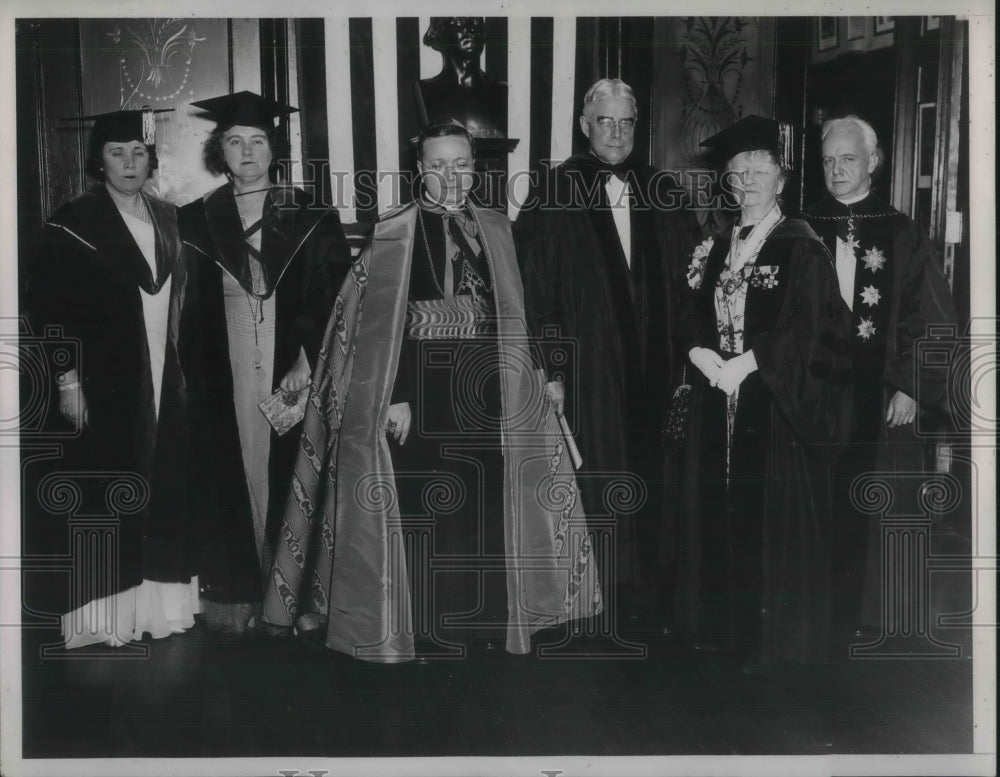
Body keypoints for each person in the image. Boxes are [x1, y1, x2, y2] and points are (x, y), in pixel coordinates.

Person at [260, 121, 600, 662]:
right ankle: (425, 629)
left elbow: (521, 311)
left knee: (488, 504)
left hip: (491, 387)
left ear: (475, 166)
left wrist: (544, 372)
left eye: (461, 164)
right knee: (428, 508)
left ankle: (484, 622)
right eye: (438, 165)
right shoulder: (395, 231)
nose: (451, 176)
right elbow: (372, 326)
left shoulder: (497, 227)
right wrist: (392, 395)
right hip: (419, 388)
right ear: (420, 170)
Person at [513, 78, 701, 633]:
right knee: (598, 467)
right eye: (605, 121)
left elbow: (692, 278)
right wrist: (552, 368)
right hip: (590, 365)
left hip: (657, 363)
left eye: (625, 122)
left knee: (654, 466)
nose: (616, 132)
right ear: (584, 125)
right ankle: (598, 589)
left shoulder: (662, 189)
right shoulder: (553, 191)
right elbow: (533, 287)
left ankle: (647, 587)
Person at [674, 115, 853, 669]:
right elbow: (691, 315)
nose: (748, 179)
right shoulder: (716, 244)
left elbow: (817, 330)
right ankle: (721, 627)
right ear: (726, 181)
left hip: (773, 408)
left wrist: (751, 364)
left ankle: (771, 640)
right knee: (716, 507)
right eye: (738, 171)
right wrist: (699, 352)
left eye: (760, 169)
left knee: (768, 516)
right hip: (716, 402)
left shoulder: (802, 247)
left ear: (782, 178)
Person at [179, 91, 351, 634]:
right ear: (219, 151)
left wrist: (305, 355)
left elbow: (336, 292)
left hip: (292, 358)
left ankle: (294, 598)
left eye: (257, 141)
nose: (246, 152)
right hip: (222, 358)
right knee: (238, 467)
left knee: (291, 468)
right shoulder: (195, 220)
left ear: (274, 150)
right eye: (234, 141)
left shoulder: (311, 215)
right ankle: (239, 595)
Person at [28, 108, 198, 649]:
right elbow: (48, 309)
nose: (129, 163)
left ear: (152, 159)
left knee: (166, 482)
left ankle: (162, 607)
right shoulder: (73, 223)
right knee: (110, 486)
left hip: (166, 374)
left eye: (138, 152)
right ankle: (107, 615)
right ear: (98, 162)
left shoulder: (171, 219)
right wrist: (67, 380)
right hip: (105, 378)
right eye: (116, 153)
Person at [802, 115, 957, 637]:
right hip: (815, 395)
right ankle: (814, 613)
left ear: (873, 162)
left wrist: (912, 384)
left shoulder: (902, 231)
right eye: (828, 160)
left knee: (876, 502)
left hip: (881, 395)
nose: (837, 169)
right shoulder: (801, 227)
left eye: (848, 158)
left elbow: (933, 318)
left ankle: (872, 621)